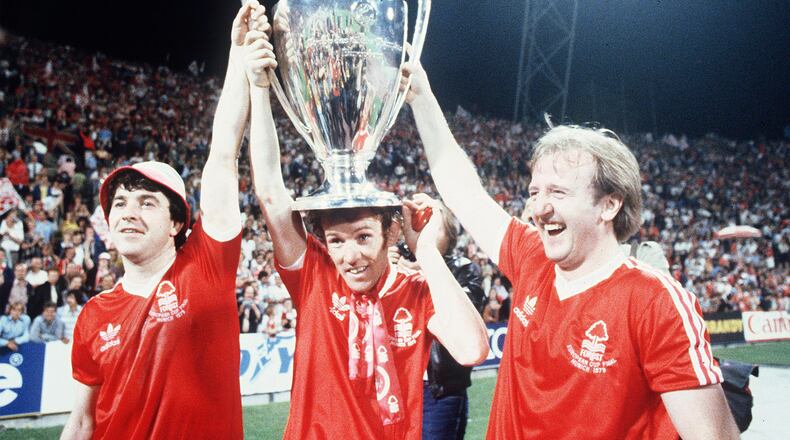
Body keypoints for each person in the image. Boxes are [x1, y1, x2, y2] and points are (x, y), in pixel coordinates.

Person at [401, 63, 740, 439]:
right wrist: (422, 98)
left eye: (558, 192)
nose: (539, 207)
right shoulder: (531, 256)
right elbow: (463, 192)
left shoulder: (655, 301)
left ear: (609, 205)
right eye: (534, 192)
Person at [244, 32, 489, 438]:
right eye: (336, 241)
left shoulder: (416, 289)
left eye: (362, 237)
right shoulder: (315, 277)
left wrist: (426, 251)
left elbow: (472, 349)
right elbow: (271, 193)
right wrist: (258, 89)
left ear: (391, 232)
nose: (349, 256)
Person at [60, 3, 270, 439]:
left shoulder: (206, 266)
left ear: (176, 224)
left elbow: (223, 153)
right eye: (120, 203)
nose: (128, 212)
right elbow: (81, 422)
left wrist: (235, 54)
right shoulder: (93, 315)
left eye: (146, 203)